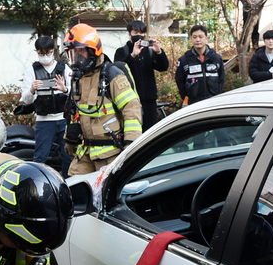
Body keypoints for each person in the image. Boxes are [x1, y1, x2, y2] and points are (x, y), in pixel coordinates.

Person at [66, 23, 143, 175]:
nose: (77, 58)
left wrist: (131, 146)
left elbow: (131, 109)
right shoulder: (78, 79)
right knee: (74, 190)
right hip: (85, 152)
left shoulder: (111, 75)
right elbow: (75, 110)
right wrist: (69, 137)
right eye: (73, 53)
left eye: (80, 51)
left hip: (112, 154)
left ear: (93, 51)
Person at [18, 35, 71, 172]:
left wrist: (64, 89)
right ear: (37, 52)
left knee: (68, 155)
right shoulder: (32, 71)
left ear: (53, 51)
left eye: (48, 52)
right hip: (44, 121)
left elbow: (76, 93)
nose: (45, 56)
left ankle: (68, 184)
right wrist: (32, 89)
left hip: (63, 118)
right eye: (41, 53)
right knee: (40, 157)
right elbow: (26, 99)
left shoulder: (64, 68)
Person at [112, 19, 170, 130]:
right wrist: (132, 55)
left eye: (141, 33)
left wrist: (158, 52)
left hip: (149, 100)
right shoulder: (122, 51)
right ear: (130, 34)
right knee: (132, 130)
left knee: (151, 132)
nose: (138, 36)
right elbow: (117, 70)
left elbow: (163, 67)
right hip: (129, 99)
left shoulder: (149, 51)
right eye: (135, 33)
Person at [175, 24, 227, 102]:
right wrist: (187, 98)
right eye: (194, 37)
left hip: (213, 100)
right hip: (194, 102)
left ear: (207, 39)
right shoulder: (184, 60)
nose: (198, 40)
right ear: (191, 39)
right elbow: (180, 81)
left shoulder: (216, 58)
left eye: (200, 37)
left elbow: (221, 78)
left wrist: (217, 95)